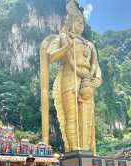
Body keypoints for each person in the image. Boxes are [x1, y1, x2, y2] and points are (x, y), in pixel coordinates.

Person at [40, 0, 102, 154]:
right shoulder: (63, 38)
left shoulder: (89, 44)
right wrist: (67, 46)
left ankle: (86, 149)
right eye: (77, 22)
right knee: (71, 117)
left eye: (82, 22)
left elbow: (96, 66)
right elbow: (51, 56)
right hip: (69, 78)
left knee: (86, 118)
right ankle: (74, 149)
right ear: (70, 22)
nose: (80, 25)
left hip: (86, 80)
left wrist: (96, 78)